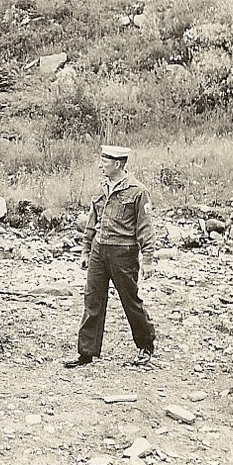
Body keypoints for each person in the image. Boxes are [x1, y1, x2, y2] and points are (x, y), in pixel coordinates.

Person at [65, 145, 156, 369]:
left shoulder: (138, 191)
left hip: (123, 253)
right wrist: (86, 250)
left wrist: (148, 259)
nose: (100, 165)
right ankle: (86, 352)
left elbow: (145, 228)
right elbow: (91, 222)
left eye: (104, 162)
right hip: (99, 251)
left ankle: (146, 345)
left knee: (130, 300)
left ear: (117, 164)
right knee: (92, 299)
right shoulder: (102, 187)